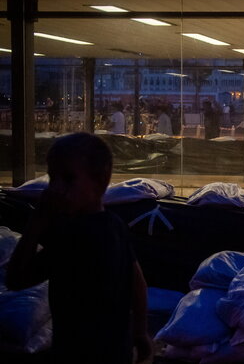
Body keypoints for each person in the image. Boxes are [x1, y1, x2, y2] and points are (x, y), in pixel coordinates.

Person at [6, 133, 152, 363]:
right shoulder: (115, 225)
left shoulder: (71, 236)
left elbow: (15, 279)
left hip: (77, 352)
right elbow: (137, 282)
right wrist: (141, 332)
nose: (56, 188)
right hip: (116, 351)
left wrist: (37, 221)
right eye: (52, 178)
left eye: (68, 179)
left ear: (99, 180)